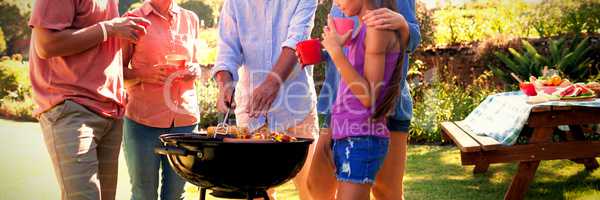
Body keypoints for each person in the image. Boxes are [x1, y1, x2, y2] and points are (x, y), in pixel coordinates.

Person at [28, 0, 150, 199]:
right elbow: (46, 45)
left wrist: (141, 73)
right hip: (71, 108)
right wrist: (109, 28)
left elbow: (98, 51)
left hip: (111, 112)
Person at [308, 0, 421, 199]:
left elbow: (370, 90)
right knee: (317, 185)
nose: (334, 2)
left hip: (371, 119)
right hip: (342, 109)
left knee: (385, 191)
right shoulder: (357, 17)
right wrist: (327, 51)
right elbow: (355, 55)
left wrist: (402, 25)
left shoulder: (377, 25)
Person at [212, 0, 319, 199]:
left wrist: (272, 82)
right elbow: (227, 50)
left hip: (297, 110)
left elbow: (298, 40)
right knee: (257, 193)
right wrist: (225, 83)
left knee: (313, 191)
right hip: (252, 116)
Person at [120, 0, 202, 199]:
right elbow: (115, 71)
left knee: (175, 194)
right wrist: (143, 74)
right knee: (143, 193)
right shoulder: (132, 20)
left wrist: (194, 70)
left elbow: (196, 64)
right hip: (142, 122)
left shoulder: (191, 19)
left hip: (184, 122)